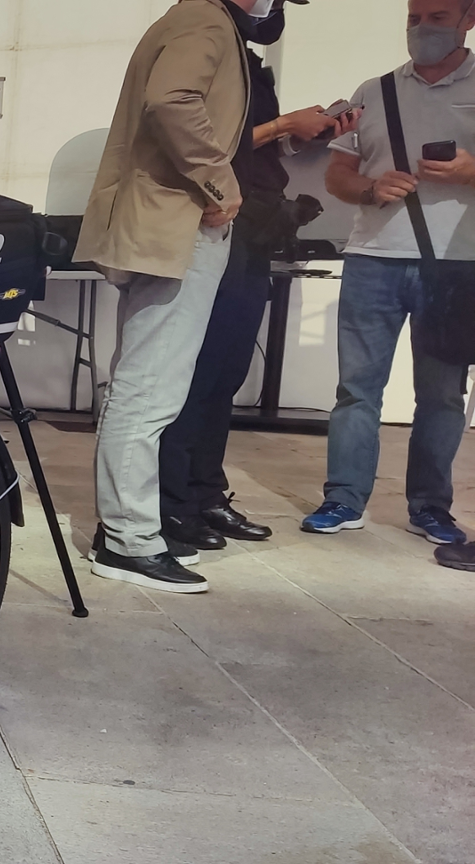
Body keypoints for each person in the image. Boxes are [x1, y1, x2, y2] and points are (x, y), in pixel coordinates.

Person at [75, 0, 267, 594]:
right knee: (148, 388)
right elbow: (171, 99)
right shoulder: (207, 19)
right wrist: (219, 180)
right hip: (179, 225)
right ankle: (128, 541)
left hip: (169, 223)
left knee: (144, 383)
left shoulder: (193, 17)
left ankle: (128, 530)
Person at [158, 4, 358, 553]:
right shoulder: (200, 37)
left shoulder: (243, 57)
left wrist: (298, 134)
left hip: (254, 223)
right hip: (214, 220)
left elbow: (242, 144)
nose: (272, 6)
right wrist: (284, 125)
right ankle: (171, 502)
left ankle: (204, 492)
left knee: (226, 371)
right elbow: (192, 137)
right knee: (197, 372)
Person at [300, 0, 475, 545]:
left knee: (443, 395)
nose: (422, 29)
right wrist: (371, 189)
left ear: (468, 18)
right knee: (357, 389)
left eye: (438, 18)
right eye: (414, 18)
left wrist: (470, 170)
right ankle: (343, 498)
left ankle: (430, 507)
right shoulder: (374, 91)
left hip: (458, 265)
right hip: (373, 259)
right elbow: (339, 174)